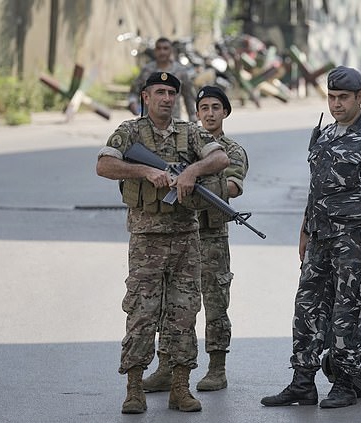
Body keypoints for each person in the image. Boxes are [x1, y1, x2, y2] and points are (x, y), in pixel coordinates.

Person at [260, 66, 361, 409]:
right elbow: (316, 188)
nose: (336, 104)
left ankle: (345, 383)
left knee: (348, 311)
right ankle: (302, 382)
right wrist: (305, 230)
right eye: (332, 97)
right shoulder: (324, 136)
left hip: (354, 239)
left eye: (343, 98)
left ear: (359, 98)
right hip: (320, 239)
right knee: (306, 307)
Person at [96, 71, 229, 414]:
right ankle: (135, 389)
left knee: (184, 314)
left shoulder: (190, 132)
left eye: (171, 93)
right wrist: (144, 172)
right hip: (146, 241)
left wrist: (192, 172)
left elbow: (220, 158)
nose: (166, 98)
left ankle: (180, 387)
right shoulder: (129, 132)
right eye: (159, 92)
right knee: (141, 314)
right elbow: (104, 165)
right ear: (145, 97)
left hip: (186, 239)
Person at [141, 86, 248, 394]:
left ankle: (217, 368)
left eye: (216, 107)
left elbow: (232, 187)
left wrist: (195, 179)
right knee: (170, 304)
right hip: (177, 234)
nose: (210, 113)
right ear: (197, 113)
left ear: (225, 112)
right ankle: (166, 366)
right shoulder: (185, 146)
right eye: (204, 108)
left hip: (211, 236)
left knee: (215, 303)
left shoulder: (230, 151)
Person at [128, 37, 197, 122]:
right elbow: (134, 91)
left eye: (165, 48)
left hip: (173, 123)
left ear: (171, 51)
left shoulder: (180, 71)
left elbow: (188, 96)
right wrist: (133, 103)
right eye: (159, 48)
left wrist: (192, 116)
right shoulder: (147, 70)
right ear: (155, 51)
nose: (162, 52)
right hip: (149, 124)